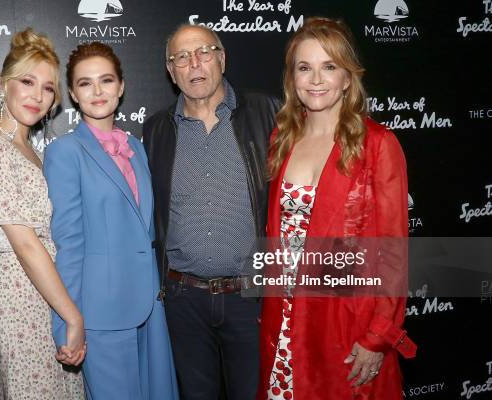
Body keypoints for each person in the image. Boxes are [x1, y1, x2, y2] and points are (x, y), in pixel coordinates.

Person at [257, 17, 416, 400]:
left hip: (346, 325)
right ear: (292, 78)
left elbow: (393, 251)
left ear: (348, 78)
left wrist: (378, 335)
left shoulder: (378, 144)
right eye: (304, 67)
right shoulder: (283, 138)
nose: (316, 79)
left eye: (329, 67)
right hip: (284, 320)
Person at [143, 24, 279, 400]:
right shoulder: (156, 130)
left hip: (250, 297)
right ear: (171, 71)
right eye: (181, 57)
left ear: (221, 58)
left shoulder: (268, 113)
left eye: (204, 52)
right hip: (183, 300)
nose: (194, 64)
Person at [43, 42, 179, 400]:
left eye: (106, 80)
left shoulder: (137, 147)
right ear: (72, 93)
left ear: (121, 87)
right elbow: (68, 244)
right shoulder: (64, 153)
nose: (98, 91)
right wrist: (67, 323)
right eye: (85, 83)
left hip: (150, 306)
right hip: (100, 314)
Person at [0, 28, 85, 399]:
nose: (38, 95)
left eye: (48, 87)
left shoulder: (32, 151)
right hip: (19, 294)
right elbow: (26, 246)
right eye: (27, 81)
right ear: (3, 85)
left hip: (48, 289)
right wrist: (74, 316)